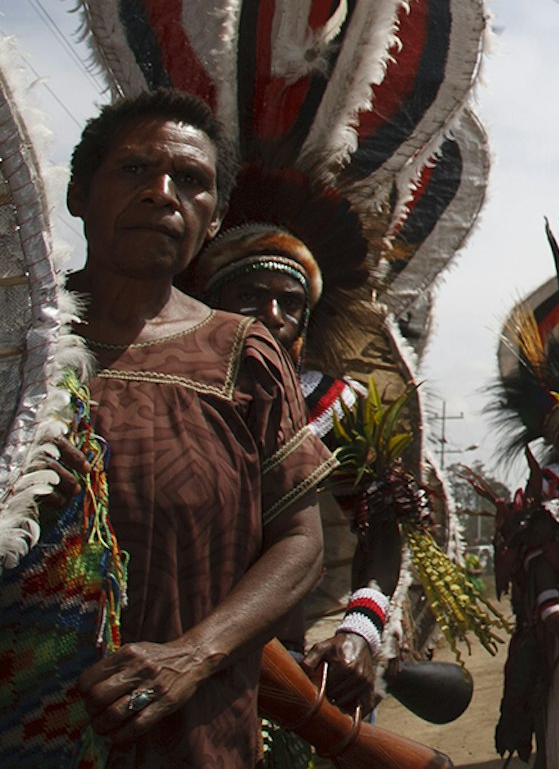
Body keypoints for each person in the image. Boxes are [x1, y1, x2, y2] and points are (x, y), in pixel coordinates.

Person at [62, 88, 332, 766]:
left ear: (212, 219)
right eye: (133, 170)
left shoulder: (243, 354)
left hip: (198, 738)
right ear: (77, 194)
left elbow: (300, 541)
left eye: (192, 182)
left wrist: (192, 654)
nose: (162, 194)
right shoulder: (18, 341)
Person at [187, 212, 403, 720]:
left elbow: (379, 530)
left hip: (318, 660)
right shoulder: (173, 397)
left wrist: (359, 633)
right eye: (250, 296)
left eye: (291, 302)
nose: (273, 313)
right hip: (190, 653)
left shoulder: (336, 405)